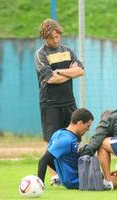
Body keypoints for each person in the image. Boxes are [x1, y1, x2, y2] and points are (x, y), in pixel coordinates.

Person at [35, 19, 84, 183]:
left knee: (75, 138)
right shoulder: (41, 54)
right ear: (45, 37)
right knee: (52, 140)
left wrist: (60, 71)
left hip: (69, 102)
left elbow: (80, 71)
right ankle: (54, 177)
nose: (55, 40)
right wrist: (69, 72)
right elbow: (50, 79)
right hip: (50, 104)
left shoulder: (68, 51)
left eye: (57, 37)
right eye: (52, 38)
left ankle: (73, 171)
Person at [37, 108, 94, 189]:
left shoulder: (58, 133)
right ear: (80, 123)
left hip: (75, 179)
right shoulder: (67, 140)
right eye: (88, 126)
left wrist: (62, 174)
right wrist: (40, 185)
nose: (88, 129)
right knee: (112, 181)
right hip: (78, 180)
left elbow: (49, 159)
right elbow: (44, 160)